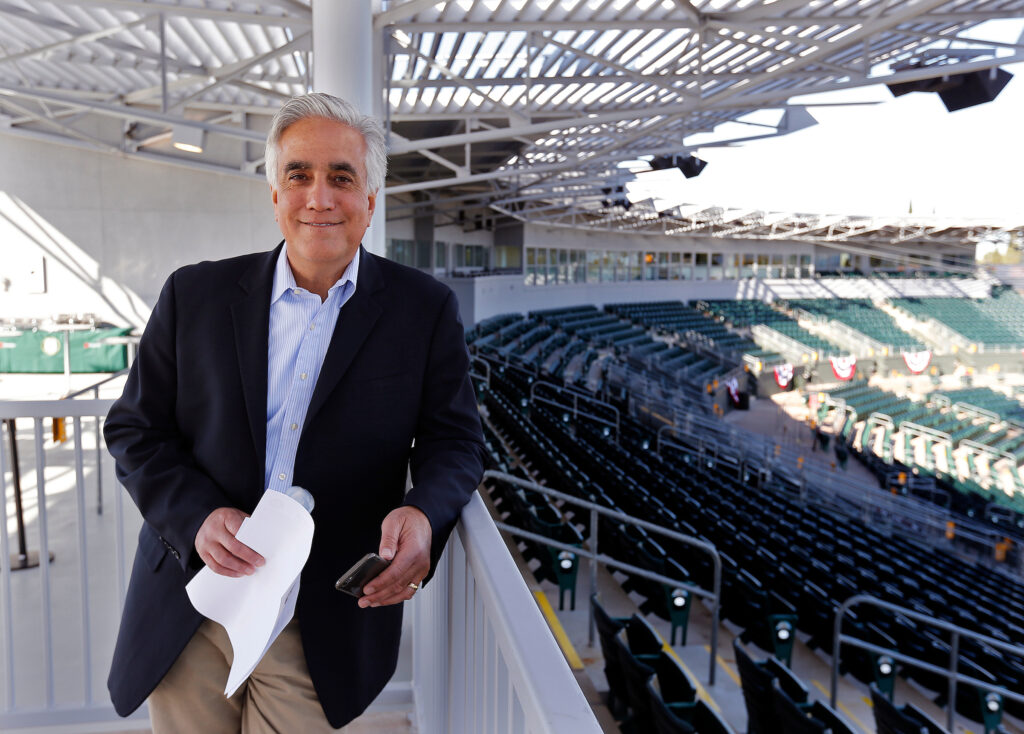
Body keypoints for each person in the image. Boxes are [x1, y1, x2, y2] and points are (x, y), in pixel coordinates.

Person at [103, 92, 485, 732]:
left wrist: (423, 514)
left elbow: (456, 443)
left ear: (370, 201)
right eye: (299, 175)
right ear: (275, 195)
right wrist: (196, 516)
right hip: (194, 597)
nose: (319, 196)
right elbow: (136, 430)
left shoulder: (424, 310)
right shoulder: (194, 294)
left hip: (322, 613)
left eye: (342, 177)